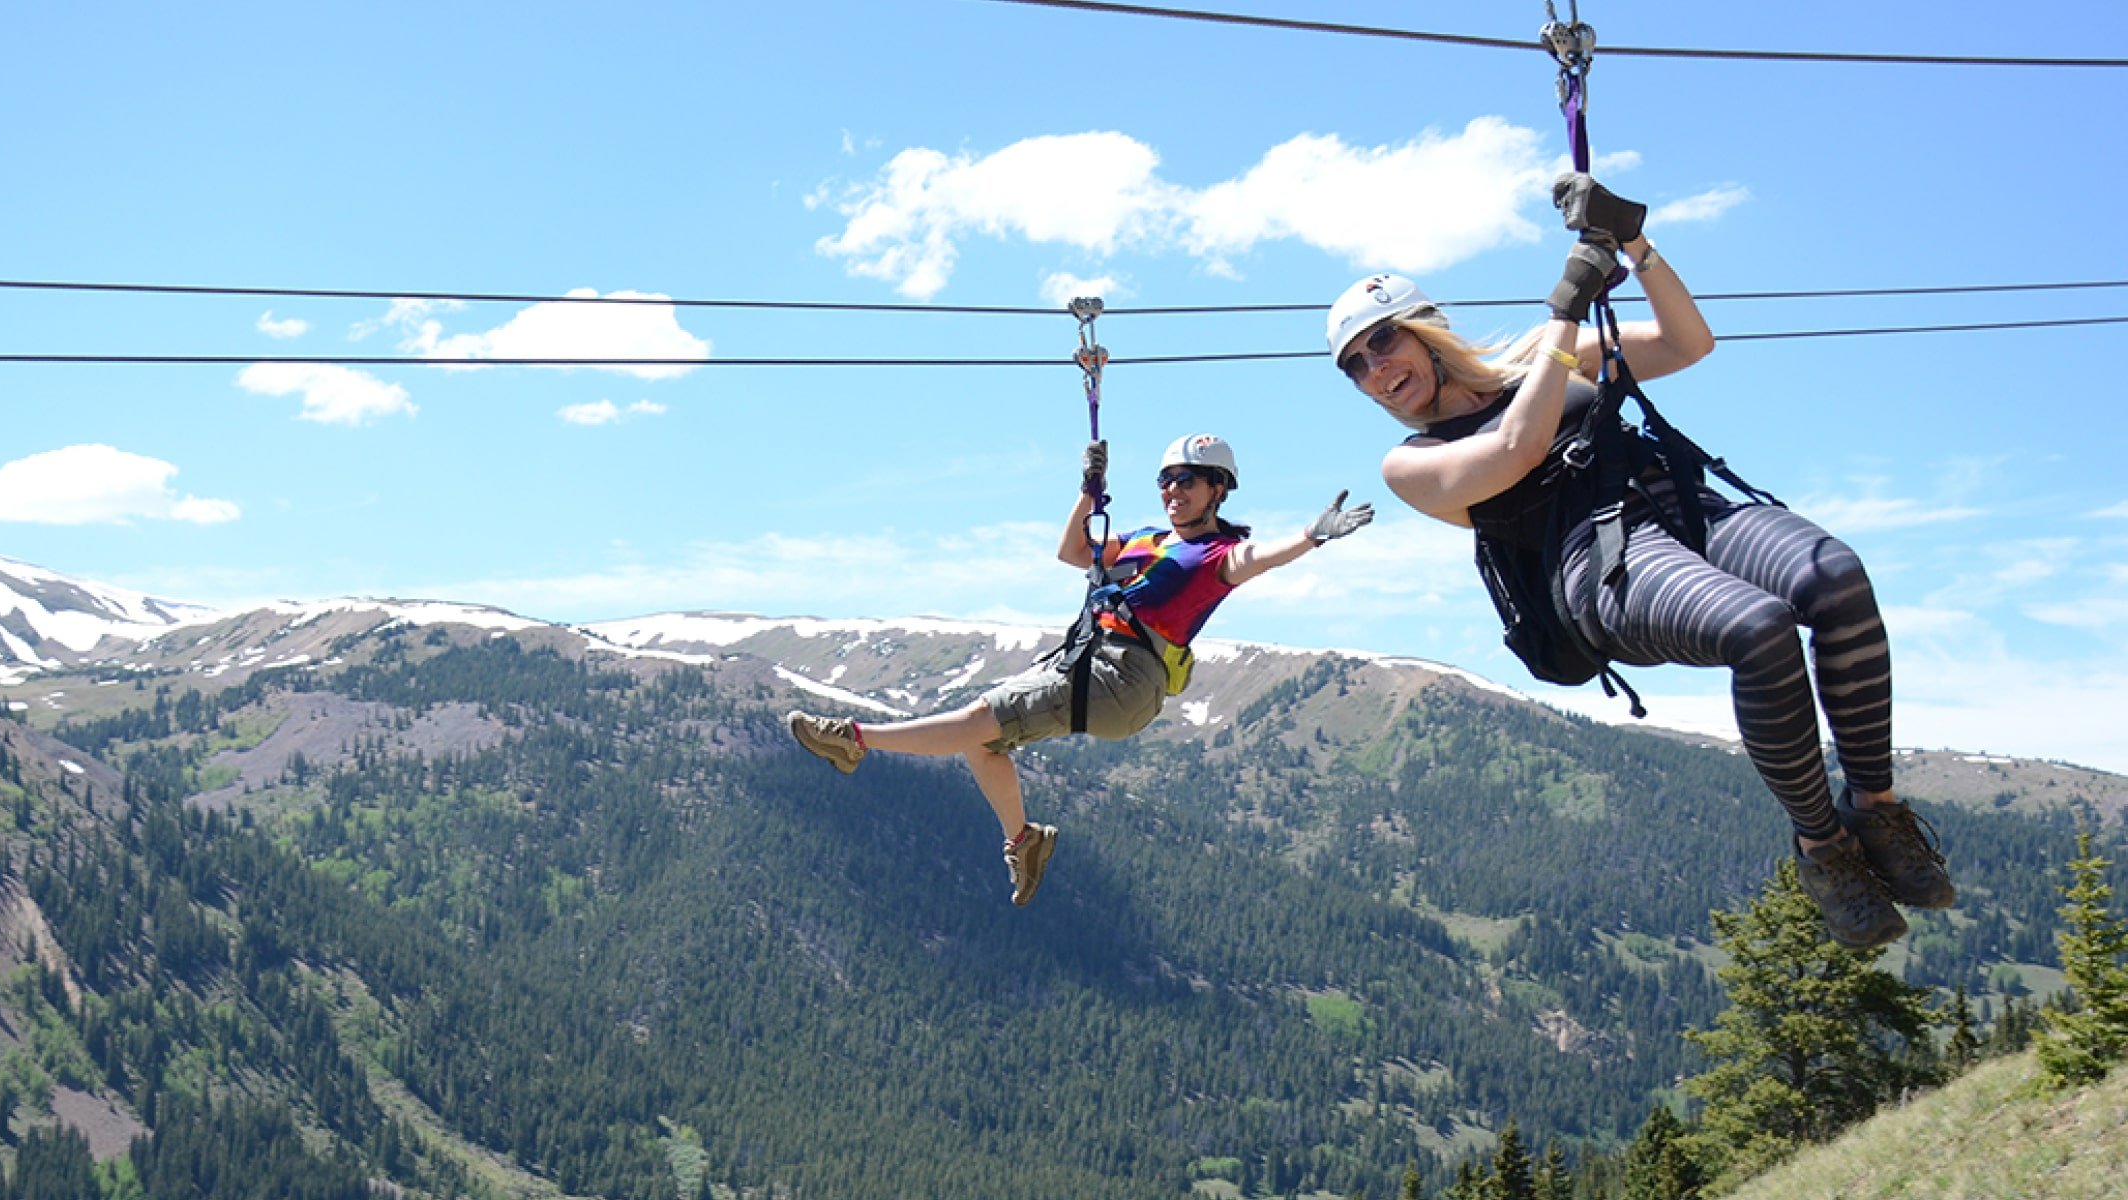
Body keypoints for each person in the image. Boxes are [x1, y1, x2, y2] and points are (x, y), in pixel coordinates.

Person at [1323, 173, 1951, 949]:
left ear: (1423, 327)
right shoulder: (1411, 461)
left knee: (1834, 577)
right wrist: (1563, 312)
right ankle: (1825, 850)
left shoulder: (1534, 358)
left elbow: (1689, 344)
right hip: (1600, 562)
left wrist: (1635, 246)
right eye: (1355, 365)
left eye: (1382, 339)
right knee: (1756, 628)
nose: (1376, 369)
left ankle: (1878, 810)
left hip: (1682, 510)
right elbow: (1517, 448)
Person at [787, 434, 1372, 906]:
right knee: (984, 744)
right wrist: (1088, 492)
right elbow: (1073, 552)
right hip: (1094, 666)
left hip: (1121, 678)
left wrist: (1312, 536)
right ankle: (1023, 840)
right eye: (1166, 480)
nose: (1173, 490)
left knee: (978, 718)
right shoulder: (1145, 539)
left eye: (1186, 480)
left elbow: (1255, 559)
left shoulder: (1214, 556)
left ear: (1219, 490)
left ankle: (854, 740)